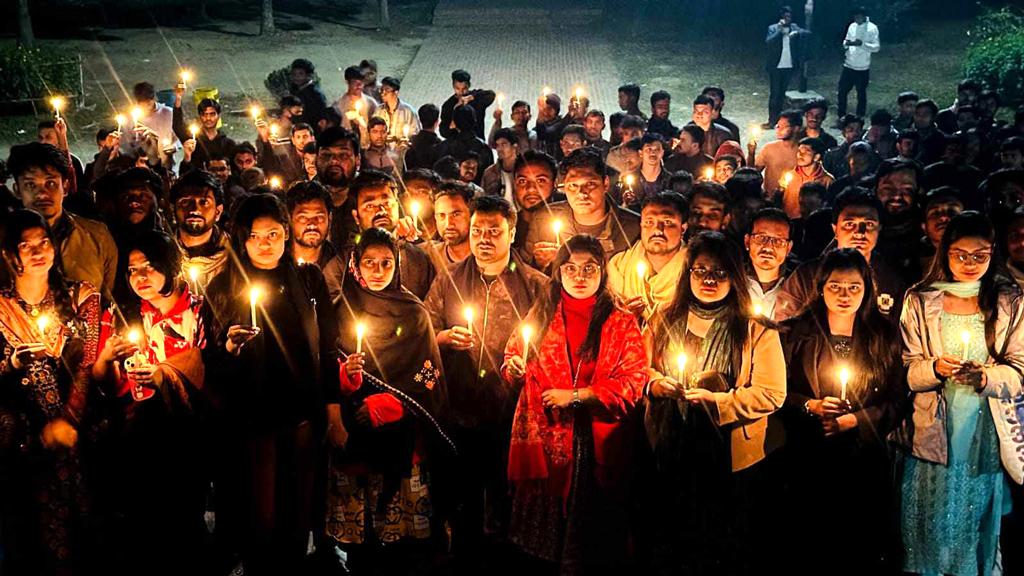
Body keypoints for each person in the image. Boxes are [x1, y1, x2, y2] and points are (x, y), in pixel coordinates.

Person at [202, 193, 340, 575]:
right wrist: (229, 346)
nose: (266, 244)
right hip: (250, 421)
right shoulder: (222, 288)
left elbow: (327, 347)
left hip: (300, 415)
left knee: (297, 511)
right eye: (256, 236)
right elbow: (209, 365)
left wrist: (333, 408)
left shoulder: (308, 280)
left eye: (274, 234)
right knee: (258, 516)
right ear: (242, 239)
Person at [640, 231, 786, 574]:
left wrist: (718, 402)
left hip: (727, 451)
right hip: (669, 442)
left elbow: (771, 392)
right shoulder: (664, 318)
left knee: (719, 540)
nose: (709, 279)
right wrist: (657, 383)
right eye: (700, 270)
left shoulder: (756, 329)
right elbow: (639, 367)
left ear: (734, 277)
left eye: (720, 272)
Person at [503, 234, 647, 574]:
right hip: (548, 432)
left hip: (595, 438)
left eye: (589, 269)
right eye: (570, 268)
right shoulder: (542, 312)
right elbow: (515, 353)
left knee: (592, 543)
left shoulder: (621, 321)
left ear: (602, 272)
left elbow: (633, 381)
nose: (579, 277)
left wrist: (578, 396)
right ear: (559, 272)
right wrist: (514, 367)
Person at [424, 195, 546, 573]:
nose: (484, 239)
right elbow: (424, 328)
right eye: (478, 231)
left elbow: (549, 344)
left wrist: (526, 361)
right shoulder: (450, 278)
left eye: (495, 231)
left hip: (512, 412)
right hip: (460, 408)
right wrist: (443, 338)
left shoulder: (535, 284)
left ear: (512, 233)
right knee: (463, 499)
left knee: (506, 495)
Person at [898, 211, 1022, 576]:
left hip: (984, 429)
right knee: (930, 526)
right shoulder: (919, 300)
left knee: (972, 526)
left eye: (979, 255)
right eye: (960, 254)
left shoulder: (1010, 301)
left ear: (992, 253)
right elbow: (907, 369)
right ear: (944, 252)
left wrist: (984, 377)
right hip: (933, 430)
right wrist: (935, 369)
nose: (969, 264)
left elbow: (1019, 371)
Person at [327, 227, 448, 574]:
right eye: (369, 263)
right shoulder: (339, 311)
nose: (378, 271)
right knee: (360, 541)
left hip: (402, 435)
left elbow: (429, 373)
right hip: (353, 434)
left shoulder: (414, 312)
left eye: (386, 263)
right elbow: (324, 368)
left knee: (401, 546)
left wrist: (395, 404)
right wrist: (346, 379)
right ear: (355, 265)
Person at [778, 248, 904, 575]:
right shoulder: (795, 333)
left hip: (863, 462)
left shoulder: (883, 335)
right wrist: (810, 405)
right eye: (835, 286)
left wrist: (857, 420)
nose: (844, 295)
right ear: (821, 287)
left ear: (867, 289)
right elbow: (777, 391)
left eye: (854, 287)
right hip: (808, 458)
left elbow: (897, 398)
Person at [91, 230, 209, 576]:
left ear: (170, 266)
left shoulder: (198, 310)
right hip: (139, 433)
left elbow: (205, 369)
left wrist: (163, 375)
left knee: (185, 516)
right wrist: (109, 359)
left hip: (187, 433)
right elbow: (104, 379)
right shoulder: (127, 315)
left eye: (148, 267)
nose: (139, 277)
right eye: (132, 270)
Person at [0, 209, 102, 576]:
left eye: (43, 242)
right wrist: (12, 365)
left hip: (79, 428)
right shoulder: (1, 309)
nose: (38, 251)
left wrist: (68, 420)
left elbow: (86, 364)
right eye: (26, 246)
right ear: (11, 254)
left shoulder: (81, 297)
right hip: (25, 437)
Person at [775, 187, 908, 323]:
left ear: (879, 228)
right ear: (835, 229)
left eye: (868, 224)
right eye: (850, 224)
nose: (859, 233)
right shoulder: (807, 276)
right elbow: (783, 326)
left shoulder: (891, 279)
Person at [7, 142, 118, 297]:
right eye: (31, 185)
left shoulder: (97, 237)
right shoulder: (4, 244)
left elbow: (108, 302)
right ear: (17, 190)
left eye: (50, 183)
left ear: (65, 187)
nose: (42, 194)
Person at [323, 170, 436, 301]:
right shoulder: (341, 266)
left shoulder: (418, 258)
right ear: (356, 216)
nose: (381, 211)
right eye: (370, 206)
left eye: (387, 204)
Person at [524, 149, 640, 270]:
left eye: (590, 184)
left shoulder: (633, 228)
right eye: (573, 185)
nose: (581, 193)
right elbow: (521, 270)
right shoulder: (543, 219)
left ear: (605, 184)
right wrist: (538, 264)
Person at [607, 191, 688, 322]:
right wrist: (624, 318)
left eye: (667, 222)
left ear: (683, 228)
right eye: (649, 222)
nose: (657, 230)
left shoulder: (694, 270)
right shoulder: (620, 266)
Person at [764, 6, 810, 128]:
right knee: (775, 93)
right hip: (776, 66)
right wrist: (779, 31)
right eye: (785, 17)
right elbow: (769, 41)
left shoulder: (793, 27)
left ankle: (780, 120)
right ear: (781, 17)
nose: (787, 19)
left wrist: (797, 32)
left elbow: (807, 33)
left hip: (788, 66)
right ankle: (771, 120)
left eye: (789, 17)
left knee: (782, 94)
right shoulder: (773, 28)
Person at [512, 150, 563, 256]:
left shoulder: (569, 224)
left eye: (540, 181)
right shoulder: (507, 227)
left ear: (555, 183)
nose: (531, 189)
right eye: (522, 181)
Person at [746, 207, 794, 317]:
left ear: (789, 248)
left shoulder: (797, 287)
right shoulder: (732, 280)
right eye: (761, 237)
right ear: (747, 241)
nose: (768, 247)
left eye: (778, 241)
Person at [837, 6, 880, 118]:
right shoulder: (852, 26)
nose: (856, 19)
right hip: (848, 65)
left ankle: (859, 118)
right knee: (842, 91)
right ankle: (841, 117)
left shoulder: (872, 28)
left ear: (864, 16)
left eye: (859, 16)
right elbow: (846, 40)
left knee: (861, 94)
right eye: (855, 16)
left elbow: (876, 47)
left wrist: (862, 44)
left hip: (862, 67)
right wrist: (846, 45)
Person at [751, 109, 801, 200]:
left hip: (794, 199)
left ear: (796, 128)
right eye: (778, 126)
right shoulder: (769, 148)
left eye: (784, 127)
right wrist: (751, 153)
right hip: (770, 199)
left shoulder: (802, 152)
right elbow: (753, 172)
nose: (779, 130)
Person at [173, 97, 236, 170]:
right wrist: (187, 156)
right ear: (200, 116)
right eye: (204, 114)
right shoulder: (192, 141)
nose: (208, 118)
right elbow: (177, 126)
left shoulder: (228, 144)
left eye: (212, 114)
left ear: (218, 116)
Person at [286, 180, 336, 269]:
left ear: (329, 219)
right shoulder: (275, 261)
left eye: (319, 217)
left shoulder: (340, 267)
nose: (312, 224)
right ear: (289, 219)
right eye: (303, 218)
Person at [780, 137, 834, 219]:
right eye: (799, 151)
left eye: (806, 152)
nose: (800, 155)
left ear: (816, 157)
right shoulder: (789, 176)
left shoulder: (827, 181)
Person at [428, 181, 474, 270]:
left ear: (471, 215)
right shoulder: (427, 255)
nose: (448, 224)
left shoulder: (488, 257)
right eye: (441, 215)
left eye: (456, 214)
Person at [440, 69, 496, 141]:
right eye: (457, 88)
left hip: (477, 142)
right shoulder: (448, 105)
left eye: (464, 88)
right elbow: (443, 131)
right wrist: (451, 127)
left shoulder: (476, 99)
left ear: (469, 86)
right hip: (458, 145)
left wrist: (471, 98)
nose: (461, 92)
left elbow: (491, 95)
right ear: (453, 86)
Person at [334, 65, 378, 143]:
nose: (359, 86)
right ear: (347, 82)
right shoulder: (338, 105)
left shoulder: (371, 103)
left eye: (361, 83)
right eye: (355, 83)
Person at [371, 76, 420, 145]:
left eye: (387, 90)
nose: (383, 93)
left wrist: (398, 138)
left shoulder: (408, 111)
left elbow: (416, 133)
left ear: (396, 93)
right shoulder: (379, 111)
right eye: (381, 90)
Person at [288, 58, 329, 130]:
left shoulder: (316, 94)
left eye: (300, 73)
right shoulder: (294, 90)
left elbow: (320, 117)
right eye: (294, 74)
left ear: (308, 75)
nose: (297, 77)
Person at [405, 103, 444, 172]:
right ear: (437, 122)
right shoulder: (440, 145)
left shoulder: (411, 141)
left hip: (412, 179)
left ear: (420, 121)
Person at [483, 128, 518, 202]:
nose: (499, 149)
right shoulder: (490, 173)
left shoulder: (525, 170)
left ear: (514, 146)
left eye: (504, 144)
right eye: (497, 145)